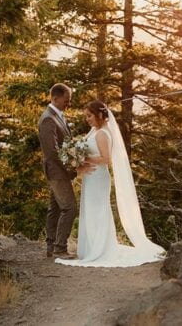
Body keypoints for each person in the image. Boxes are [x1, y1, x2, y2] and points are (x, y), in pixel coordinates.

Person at [57, 100, 166, 267]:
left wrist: (82, 158)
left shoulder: (103, 134)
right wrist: (76, 158)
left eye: (89, 116)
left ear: (100, 115)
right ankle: (91, 248)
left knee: (98, 212)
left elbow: (106, 159)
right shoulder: (95, 130)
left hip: (99, 178)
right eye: (86, 116)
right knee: (90, 212)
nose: (87, 119)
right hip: (91, 177)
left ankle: (100, 250)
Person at [38, 83, 77, 259]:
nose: (69, 103)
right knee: (69, 208)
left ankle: (51, 247)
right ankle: (60, 248)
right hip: (56, 171)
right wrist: (69, 168)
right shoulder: (48, 119)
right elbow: (52, 152)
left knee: (54, 208)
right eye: (66, 100)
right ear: (55, 98)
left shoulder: (57, 116)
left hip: (58, 171)